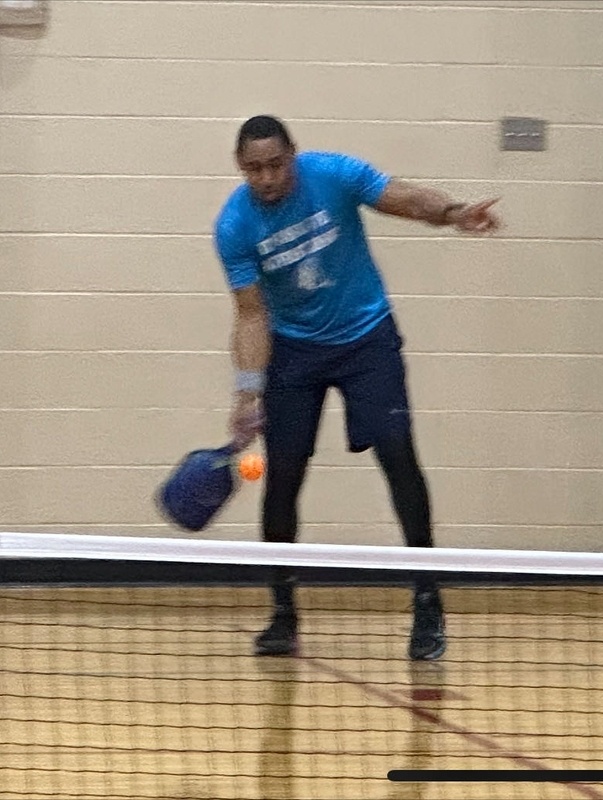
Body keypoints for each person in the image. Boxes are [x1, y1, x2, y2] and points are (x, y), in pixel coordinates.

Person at [212, 115, 500, 660]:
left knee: (399, 459)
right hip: (294, 352)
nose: (267, 178)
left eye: (276, 165)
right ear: (240, 168)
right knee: (283, 480)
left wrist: (454, 213)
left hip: (366, 339)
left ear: (293, 155)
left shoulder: (334, 175)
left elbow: (402, 199)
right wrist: (247, 393)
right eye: (255, 169)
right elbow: (250, 316)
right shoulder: (234, 227)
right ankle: (282, 614)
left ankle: (427, 600)